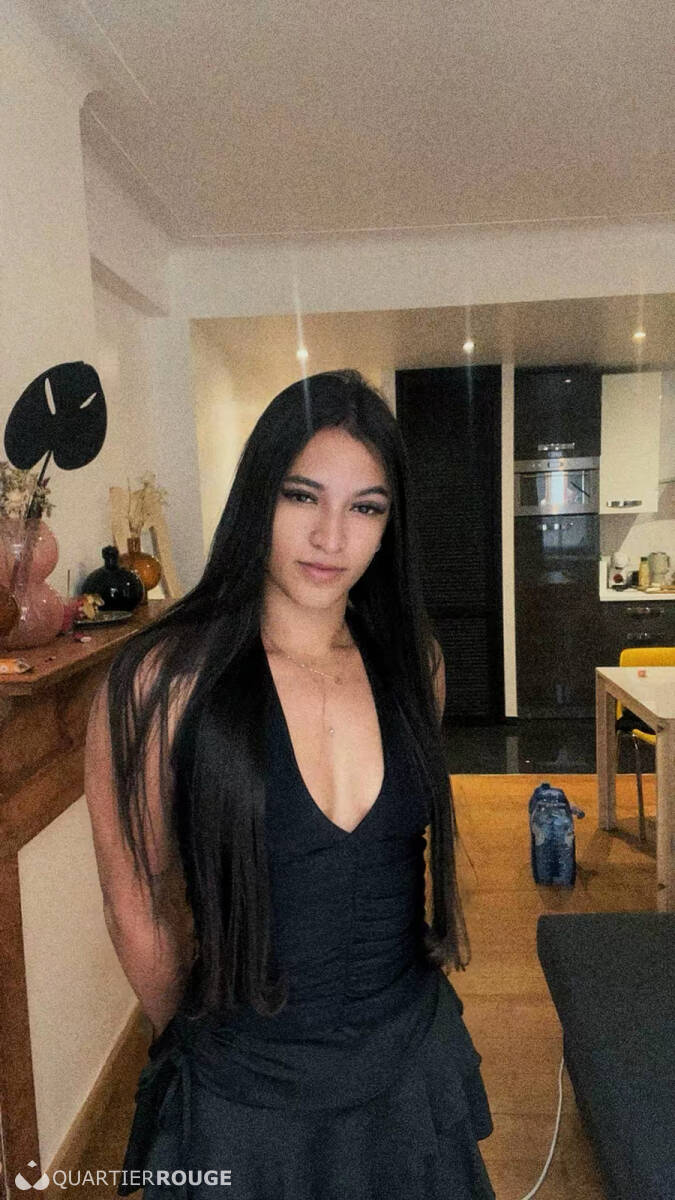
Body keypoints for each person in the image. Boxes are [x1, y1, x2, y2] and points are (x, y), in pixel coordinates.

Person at [84, 369, 495, 1200]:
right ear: (257, 497)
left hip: (407, 1067)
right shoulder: (160, 683)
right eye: (302, 495)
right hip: (244, 1096)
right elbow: (136, 901)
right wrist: (213, 1053)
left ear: (389, 526)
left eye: (365, 508)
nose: (330, 536)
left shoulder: (416, 665)